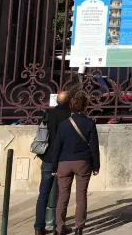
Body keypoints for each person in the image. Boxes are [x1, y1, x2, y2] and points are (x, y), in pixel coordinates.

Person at [49, 90, 100, 235]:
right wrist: (96, 166)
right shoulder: (89, 123)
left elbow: (57, 146)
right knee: (81, 196)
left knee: (62, 196)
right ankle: (79, 227)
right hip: (83, 162)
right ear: (85, 105)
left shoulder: (64, 124)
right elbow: (94, 147)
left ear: (71, 105)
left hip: (64, 162)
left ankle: (59, 227)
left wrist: (54, 166)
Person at [34, 90, 71, 235]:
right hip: (62, 158)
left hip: (48, 157)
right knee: (62, 193)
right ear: (69, 102)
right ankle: (59, 226)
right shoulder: (69, 116)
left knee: (43, 193)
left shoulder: (49, 114)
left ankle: (38, 227)